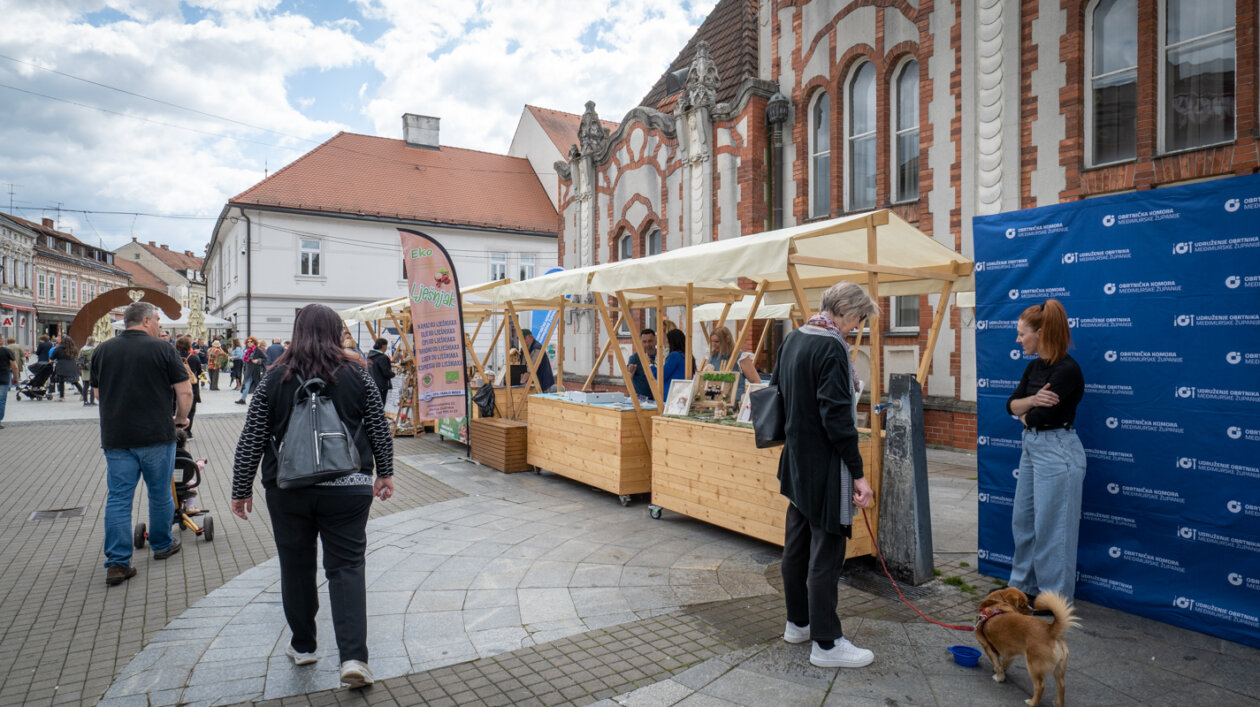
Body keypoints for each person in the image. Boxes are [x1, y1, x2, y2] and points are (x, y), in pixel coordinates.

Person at [230, 304, 395, 689]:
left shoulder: (274, 377)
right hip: (349, 487)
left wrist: (241, 489)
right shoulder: (358, 373)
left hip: (288, 490)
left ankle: (304, 646)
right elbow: (378, 426)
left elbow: (252, 437)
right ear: (337, 332)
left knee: (296, 565)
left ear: (298, 332)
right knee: (347, 567)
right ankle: (354, 658)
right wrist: (385, 472)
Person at [773, 281, 877, 669]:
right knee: (827, 553)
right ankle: (827, 644)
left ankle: (798, 623)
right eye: (859, 318)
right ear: (845, 310)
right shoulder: (831, 346)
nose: (858, 326)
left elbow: (777, 393)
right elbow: (837, 418)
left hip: (796, 461)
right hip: (826, 467)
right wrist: (858, 474)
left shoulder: (794, 338)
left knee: (797, 547)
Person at [91, 301, 193, 586]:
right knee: (159, 493)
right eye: (157, 319)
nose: (159, 324)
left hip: (117, 437)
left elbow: (97, 394)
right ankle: (162, 545)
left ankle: (117, 563)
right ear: (146, 320)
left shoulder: (103, 350)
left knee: (118, 498)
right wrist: (180, 419)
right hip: (156, 435)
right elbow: (185, 391)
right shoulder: (163, 349)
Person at [1005, 299, 1086, 605]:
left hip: (1057, 451)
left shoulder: (1067, 370)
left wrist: (1024, 410)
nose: (1018, 339)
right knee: (1024, 522)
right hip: (1032, 447)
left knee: (1053, 531)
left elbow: (1037, 417)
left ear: (1040, 334)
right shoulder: (1033, 366)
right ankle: (1021, 591)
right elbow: (1011, 405)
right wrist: (1030, 402)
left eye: (1022, 333)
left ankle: (1053, 604)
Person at [704, 326, 762, 404]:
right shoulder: (712, 356)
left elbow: (756, 381)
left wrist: (750, 402)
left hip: (734, 402)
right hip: (713, 402)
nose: (713, 344)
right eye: (712, 341)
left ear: (727, 339)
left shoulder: (740, 357)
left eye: (717, 341)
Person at [176, 335, 203, 439]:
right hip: (192, 386)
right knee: (190, 410)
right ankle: (187, 432)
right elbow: (199, 371)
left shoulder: (173, 357)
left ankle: (177, 430)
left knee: (175, 408)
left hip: (176, 387)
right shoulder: (194, 357)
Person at [51, 335, 86, 402]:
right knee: (75, 382)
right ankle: (83, 394)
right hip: (72, 366)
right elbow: (76, 356)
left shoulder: (58, 348)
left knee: (61, 382)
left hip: (61, 367)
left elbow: (52, 357)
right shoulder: (74, 348)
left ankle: (62, 397)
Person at [625, 328, 657, 399]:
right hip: (640, 400)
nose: (647, 344)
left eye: (650, 341)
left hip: (657, 399)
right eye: (644, 342)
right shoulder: (635, 358)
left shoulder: (661, 356)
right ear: (640, 343)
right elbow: (627, 381)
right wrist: (631, 373)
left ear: (655, 341)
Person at [661, 328, 693, 399]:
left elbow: (662, 375)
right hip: (682, 394)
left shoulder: (674, 355)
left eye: (667, 342)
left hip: (670, 394)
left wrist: (650, 365)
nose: (666, 345)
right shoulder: (687, 356)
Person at [237, 336, 264, 404]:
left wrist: (258, 360)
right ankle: (243, 399)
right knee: (247, 385)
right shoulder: (247, 350)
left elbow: (265, 358)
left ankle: (261, 400)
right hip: (248, 371)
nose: (249, 343)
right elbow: (245, 360)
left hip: (256, 371)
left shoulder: (257, 350)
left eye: (251, 341)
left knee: (258, 386)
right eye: (248, 342)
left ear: (254, 342)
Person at [78, 337, 98, 406]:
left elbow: (79, 357)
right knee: (92, 385)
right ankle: (92, 401)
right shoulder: (93, 349)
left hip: (84, 368)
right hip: (91, 367)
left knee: (85, 385)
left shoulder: (82, 349)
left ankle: (85, 401)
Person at [0, 340, 15, 429]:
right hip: (3, 378)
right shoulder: (7, 351)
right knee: (1, 400)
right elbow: (14, 366)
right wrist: (15, 377)